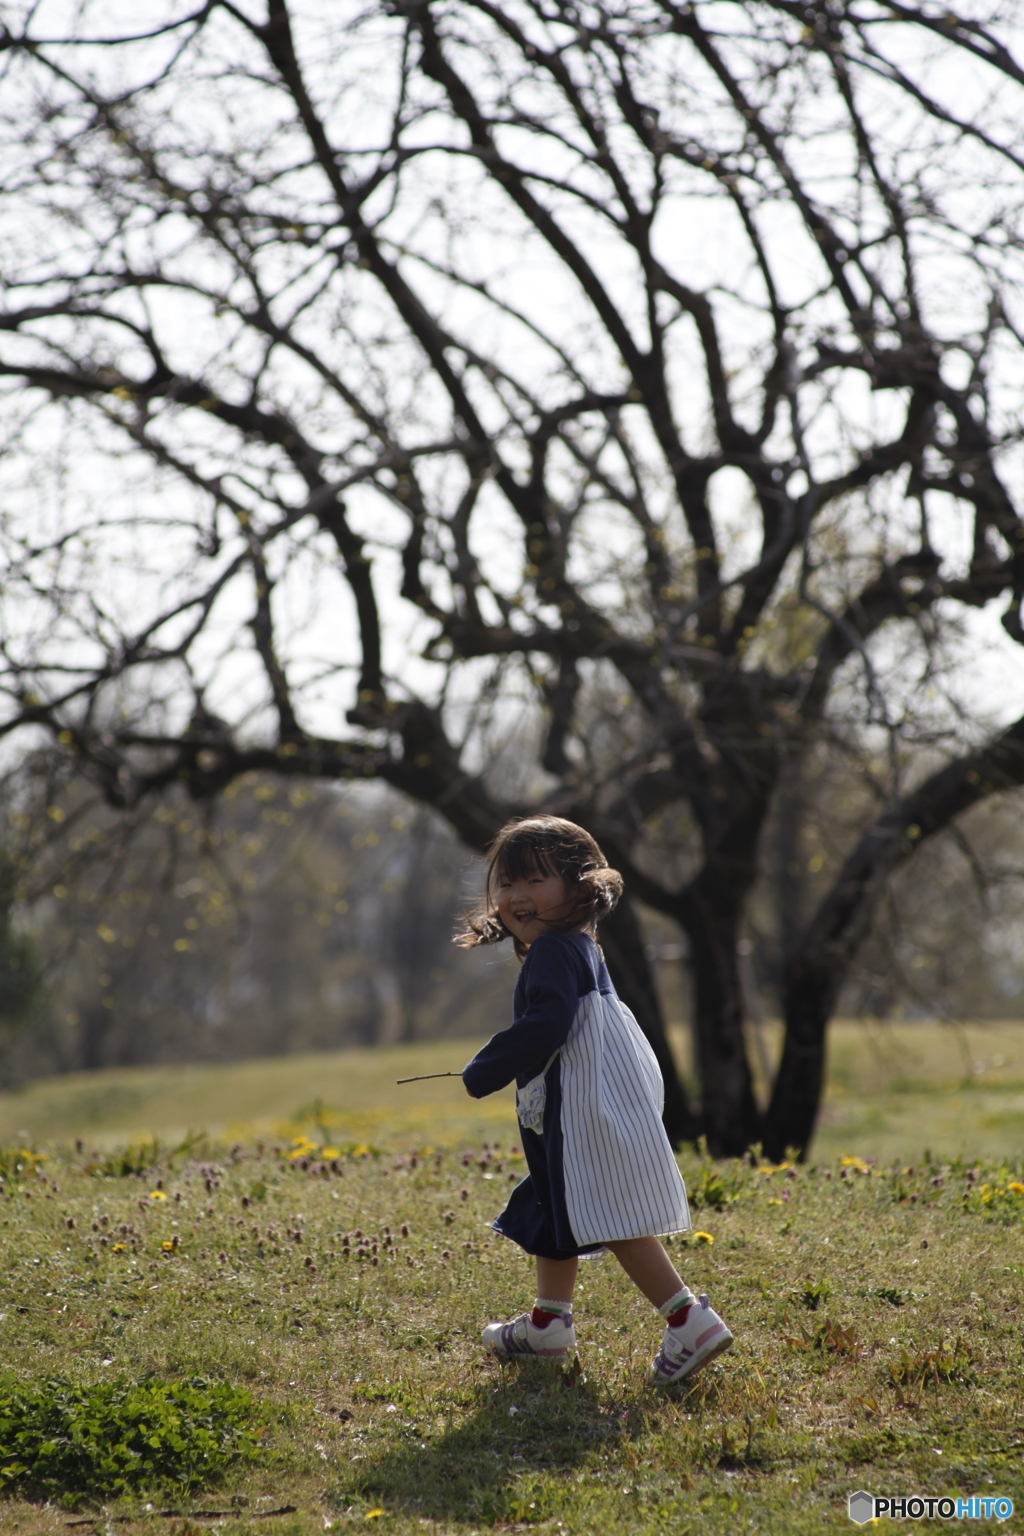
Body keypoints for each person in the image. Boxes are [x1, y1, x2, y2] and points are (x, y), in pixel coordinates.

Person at [457, 814, 732, 1387]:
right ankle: (548, 1324)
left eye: (534, 880)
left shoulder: (555, 951)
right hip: (586, 1096)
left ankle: (688, 1320)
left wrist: (488, 1065)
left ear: (580, 886)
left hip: (576, 1105)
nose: (516, 896)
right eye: (507, 884)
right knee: (554, 1200)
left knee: (608, 1210)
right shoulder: (574, 946)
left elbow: (548, 1022)